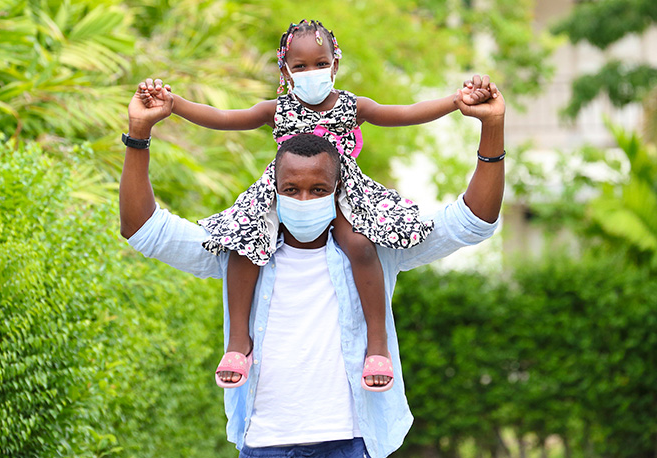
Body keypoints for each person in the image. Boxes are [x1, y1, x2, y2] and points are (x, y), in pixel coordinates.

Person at [119, 72, 505, 458]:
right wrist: (138, 133)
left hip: (348, 449)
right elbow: (144, 229)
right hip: (263, 450)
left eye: (318, 190)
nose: (304, 199)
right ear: (274, 190)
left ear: (338, 190)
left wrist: (491, 128)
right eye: (292, 190)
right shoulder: (241, 250)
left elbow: (472, 220)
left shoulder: (375, 247)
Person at [139, 19, 495, 391]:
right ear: (286, 71)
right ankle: (238, 343)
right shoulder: (276, 108)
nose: (312, 72)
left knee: (360, 244)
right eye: (301, 67)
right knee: (244, 244)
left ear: (335, 64)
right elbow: (226, 119)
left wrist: (456, 103)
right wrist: (174, 104)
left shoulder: (353, 106)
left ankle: (377, 344)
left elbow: (405, 113)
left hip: (340, 189)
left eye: (320, 64)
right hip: (286, 189)